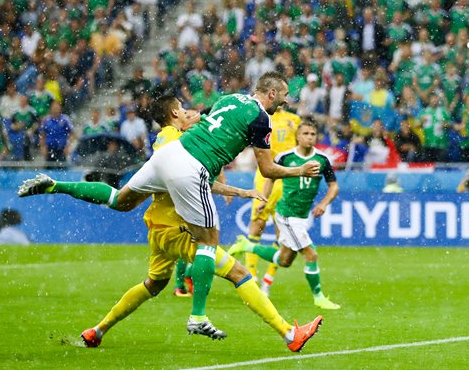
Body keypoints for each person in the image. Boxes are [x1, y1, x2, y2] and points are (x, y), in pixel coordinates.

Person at [18, 71, 320, 338]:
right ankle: (200, 317)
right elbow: (266, 169)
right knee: (212, 245)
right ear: (270, 94)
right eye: (283, 95)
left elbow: (209, 130)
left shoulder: (229, 100)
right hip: (185, 191)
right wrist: (298, 170)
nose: (286, 100)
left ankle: (56, 185)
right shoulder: (261, 118)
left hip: (168, 173)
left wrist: (230, 180)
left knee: (119, 200)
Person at [229, 120, 340, 310]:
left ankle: (247, 245)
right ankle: (318, 297)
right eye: (305, 134)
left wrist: (323, 203)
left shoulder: (322, 159)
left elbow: (334, 186)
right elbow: (270, 178)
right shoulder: (285, 157)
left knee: (284, 260)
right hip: (287, 215)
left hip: (302, 216)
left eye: (313, 134)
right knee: (311, 254)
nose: (309, 137)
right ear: (297, 136)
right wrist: (263, 200)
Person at [245, 105, 301, 295]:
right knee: (257, 223)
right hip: (265, 175)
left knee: (282, 233)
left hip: (287, 178)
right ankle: (251, 276)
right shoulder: (260, 117)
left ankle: (267, 282)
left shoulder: (295, 120)